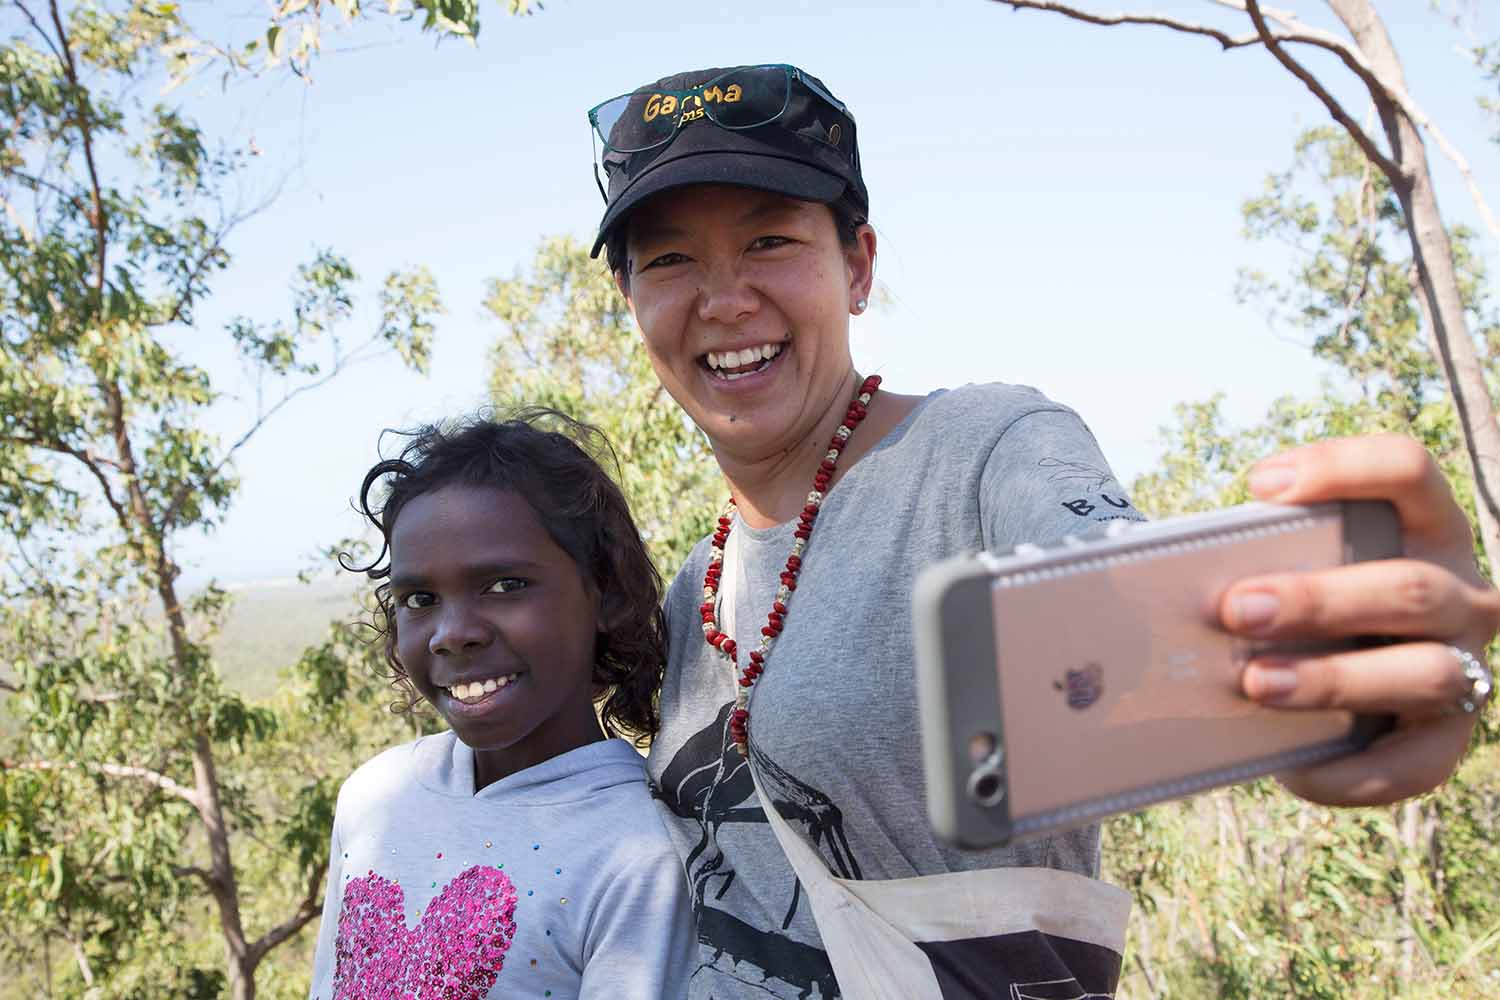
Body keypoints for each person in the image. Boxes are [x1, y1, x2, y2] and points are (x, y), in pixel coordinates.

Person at [583, 63, 1500, 998]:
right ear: (630, 300)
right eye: (670, 260)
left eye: (770, 241)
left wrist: (1308, 682)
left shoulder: (986, 448)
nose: (724, 298)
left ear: (857, 266)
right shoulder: (699, 578)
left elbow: (1115, 597)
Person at [307, 411, 694, 1000]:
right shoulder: (376, 796)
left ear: (607, 594)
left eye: (505, 585)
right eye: (420, 598)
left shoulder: (641, 855)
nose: (451, 633)